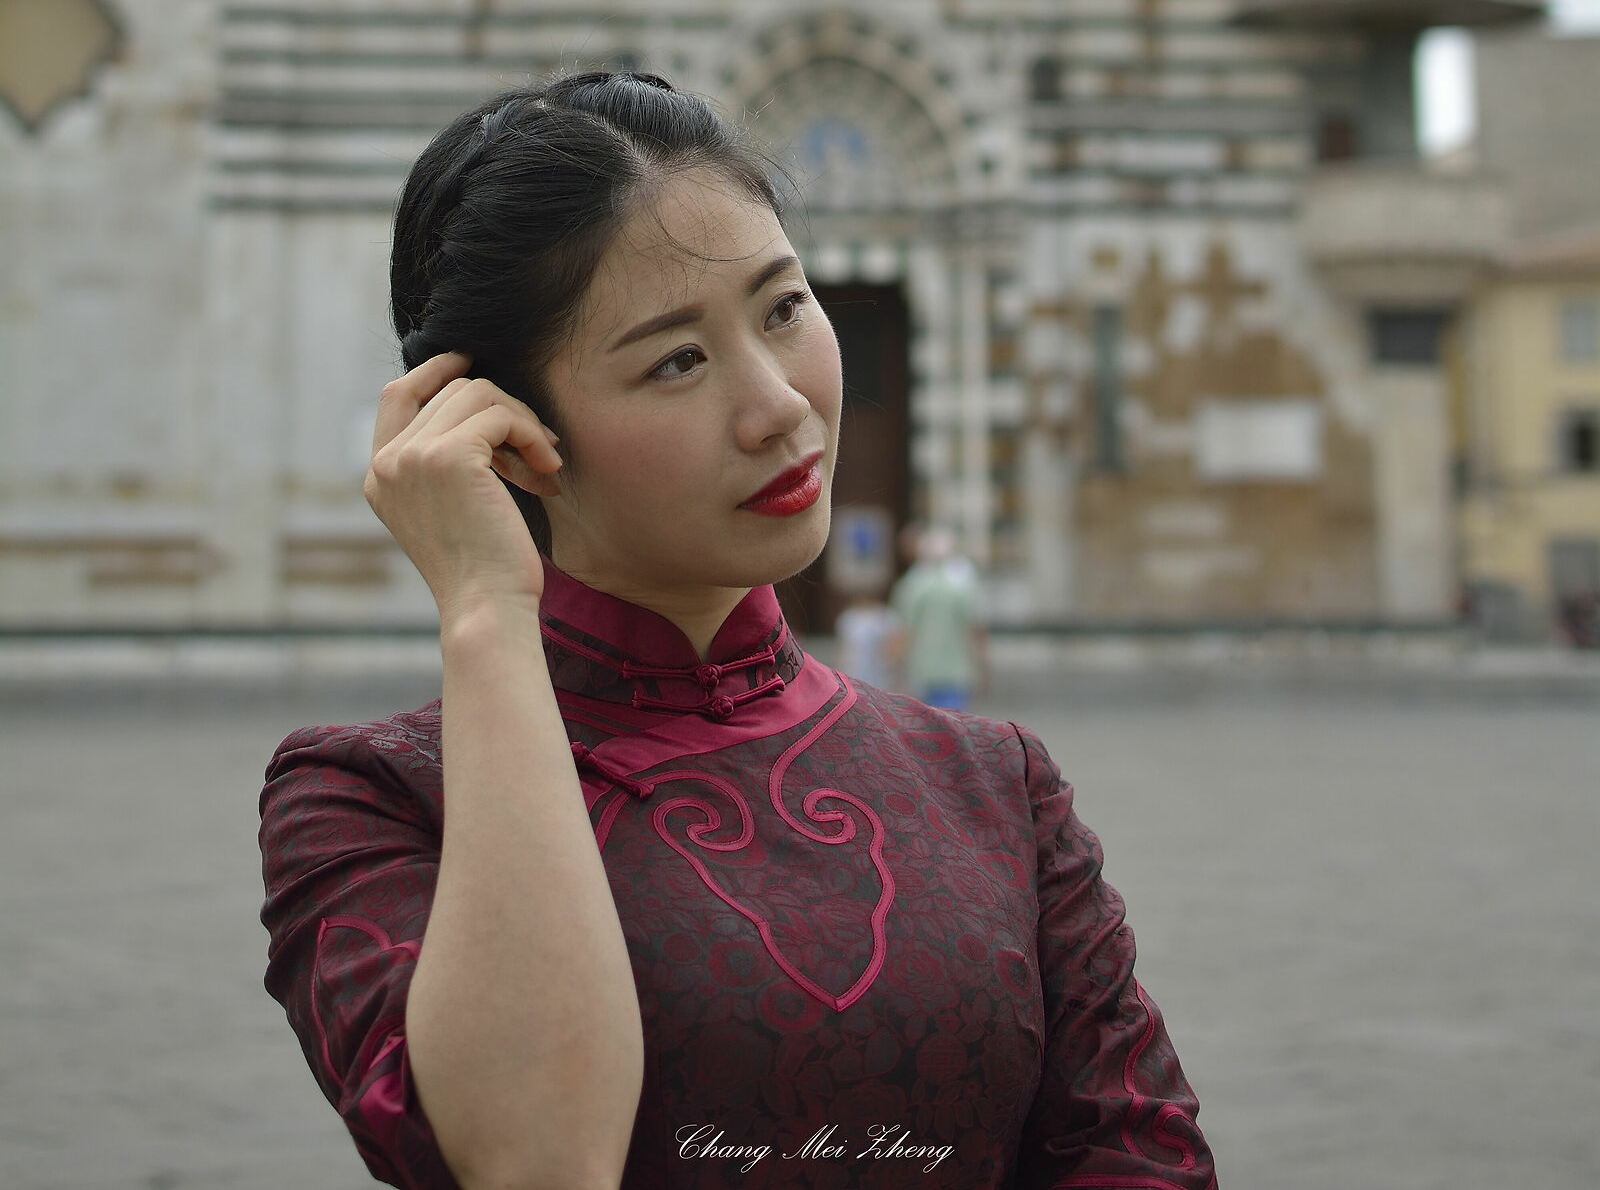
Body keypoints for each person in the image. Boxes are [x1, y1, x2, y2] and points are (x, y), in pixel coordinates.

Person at [258, 71, 1214, 1190]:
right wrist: (482, 609)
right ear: (507, 434)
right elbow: (535, 1160)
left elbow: (1139, 1160)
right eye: (676, 360)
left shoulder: (997, 782)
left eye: (782, 308)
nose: (779, 405)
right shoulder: (367, 800)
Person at [888, 526, 987, 711]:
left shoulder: (912, 586)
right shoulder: (962, 586)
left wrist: (896, 669)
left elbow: (904, 632)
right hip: (956, 671)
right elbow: (974, 629)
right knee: (955, 726)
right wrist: (982, 668)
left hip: (922, 671)